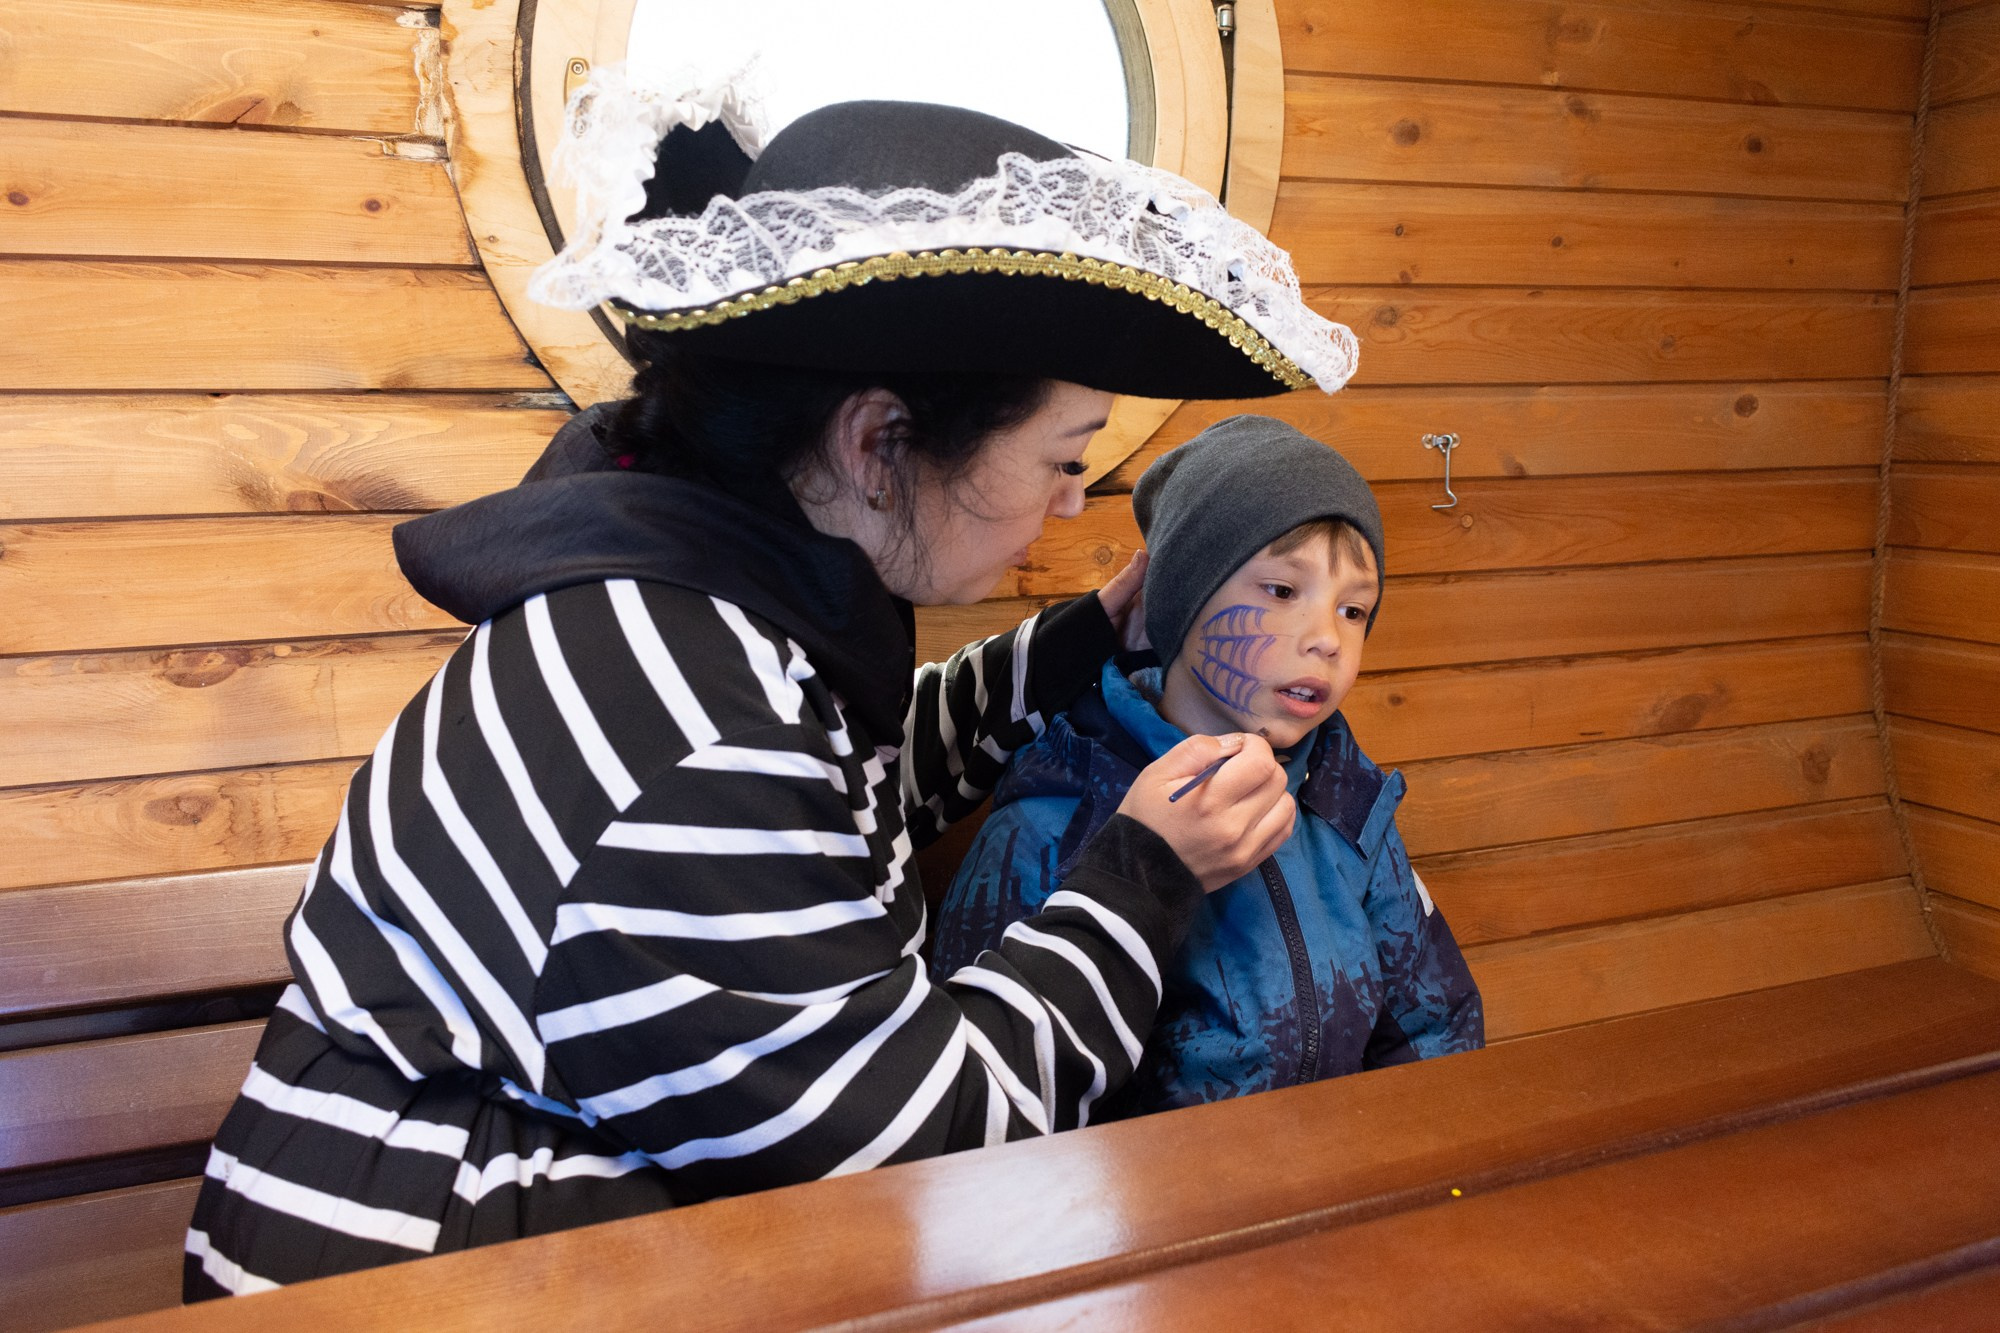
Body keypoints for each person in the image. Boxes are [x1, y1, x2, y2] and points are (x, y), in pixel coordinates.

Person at [183, 71, 1360, 1296]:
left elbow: (860, 779)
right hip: (425, 1275)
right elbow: (922, 1141)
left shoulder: (704, 601)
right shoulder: (682, 720)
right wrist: (1144, 876)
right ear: (875, 444)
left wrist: (1078, 639)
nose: (1073, 505)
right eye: (1061, 461)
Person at [932, 416, 1483, 1116]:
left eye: (1354, 609)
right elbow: (986, 1102)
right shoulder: (1053, 821)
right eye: (1283, 591)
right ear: (1181, 601)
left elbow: (1435, 1024)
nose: (1327, 641)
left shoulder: (1346, 802)